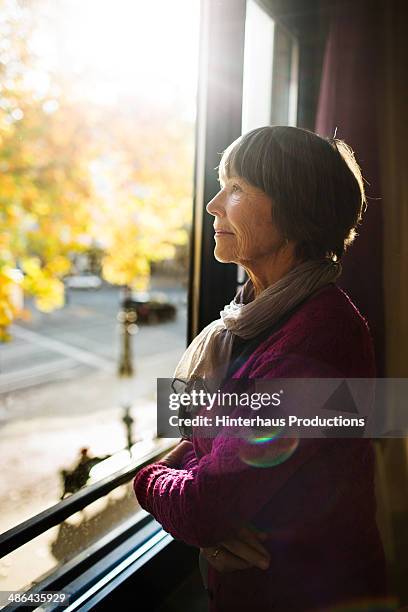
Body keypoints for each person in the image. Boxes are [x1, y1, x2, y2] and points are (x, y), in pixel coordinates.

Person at [133, 126, 388, 611]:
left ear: (294, 210)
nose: (212, 206)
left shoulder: (318, 339)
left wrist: (147, 480)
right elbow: (210, 465)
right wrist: (212, 515)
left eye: (235, 188)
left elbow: (204, 506)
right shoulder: (255, 316)